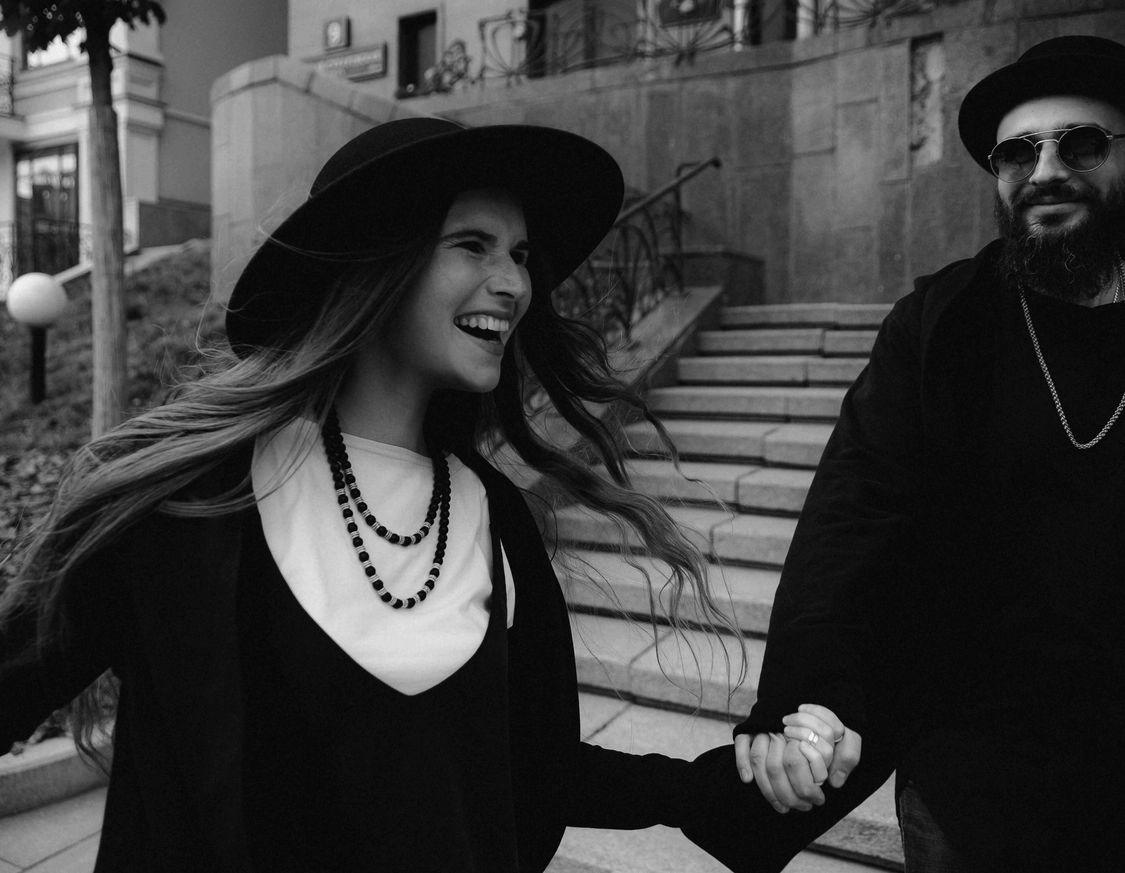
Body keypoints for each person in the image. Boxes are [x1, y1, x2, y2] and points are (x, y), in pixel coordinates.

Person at [0, 117, 836, 871]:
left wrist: (725, 782)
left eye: (520, 255)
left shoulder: (496, 518)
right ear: (377, 262)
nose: (513, 283)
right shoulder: (190, 502)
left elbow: (533, 770)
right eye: (472, 244)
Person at [730, 35, 1125, 871]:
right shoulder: (943, 322)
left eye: (1080, 145)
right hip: (973, 770)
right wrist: (807, 690)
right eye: (1017, 153)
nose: (1044, 172)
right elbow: (853, 509)